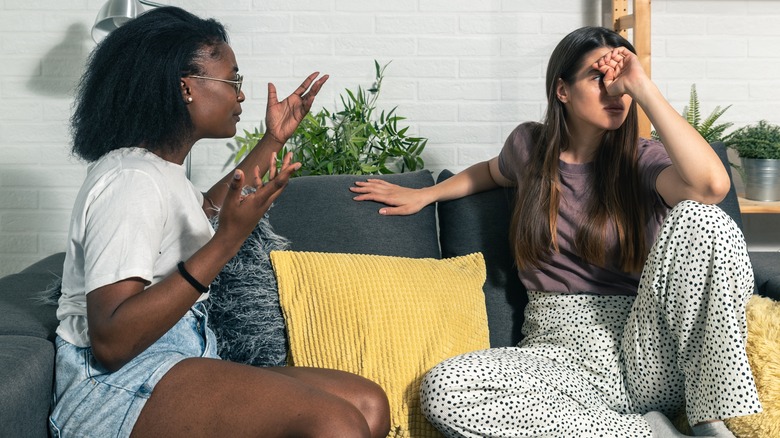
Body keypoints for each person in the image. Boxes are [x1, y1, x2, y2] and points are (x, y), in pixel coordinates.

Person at [350, 26, 761, 438]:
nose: (614, 91)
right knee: (446, 390)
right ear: (562, 90)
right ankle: (647, 434)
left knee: (704, 217)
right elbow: (491, 172)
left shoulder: (643, 159)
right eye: (598, 78)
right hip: (560, 356)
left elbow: (711, 188)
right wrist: (426, 194)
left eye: (621, 80)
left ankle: (709, 420)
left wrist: (642, 87)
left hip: (648, 349)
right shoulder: (529, 148)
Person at [50, 6, 390, 438]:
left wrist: (274, 139)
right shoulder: (130, 182)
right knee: (335, 424)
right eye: (234, 81)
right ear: (186, 88)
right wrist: (228, 241)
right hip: (112, 387)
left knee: (368, 404)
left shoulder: (159, 170)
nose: (242, 96)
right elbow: (112, 341)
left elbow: (205, 213)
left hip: (181, 359)